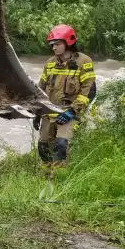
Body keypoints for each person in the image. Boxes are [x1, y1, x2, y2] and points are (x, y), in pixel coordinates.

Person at [33, 24, 97, 168]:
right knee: (43, 147)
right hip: (49, 113)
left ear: (69, 42)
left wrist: (72, 111)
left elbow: (88, 91)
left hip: (69, 113)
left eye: (57, 44)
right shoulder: (50, 64)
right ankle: (48, 177)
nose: (54, 48)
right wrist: (37, 112)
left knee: (61, 145)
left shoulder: (84, 62)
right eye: (52, 45)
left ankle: (60, 179)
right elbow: (40, 90)